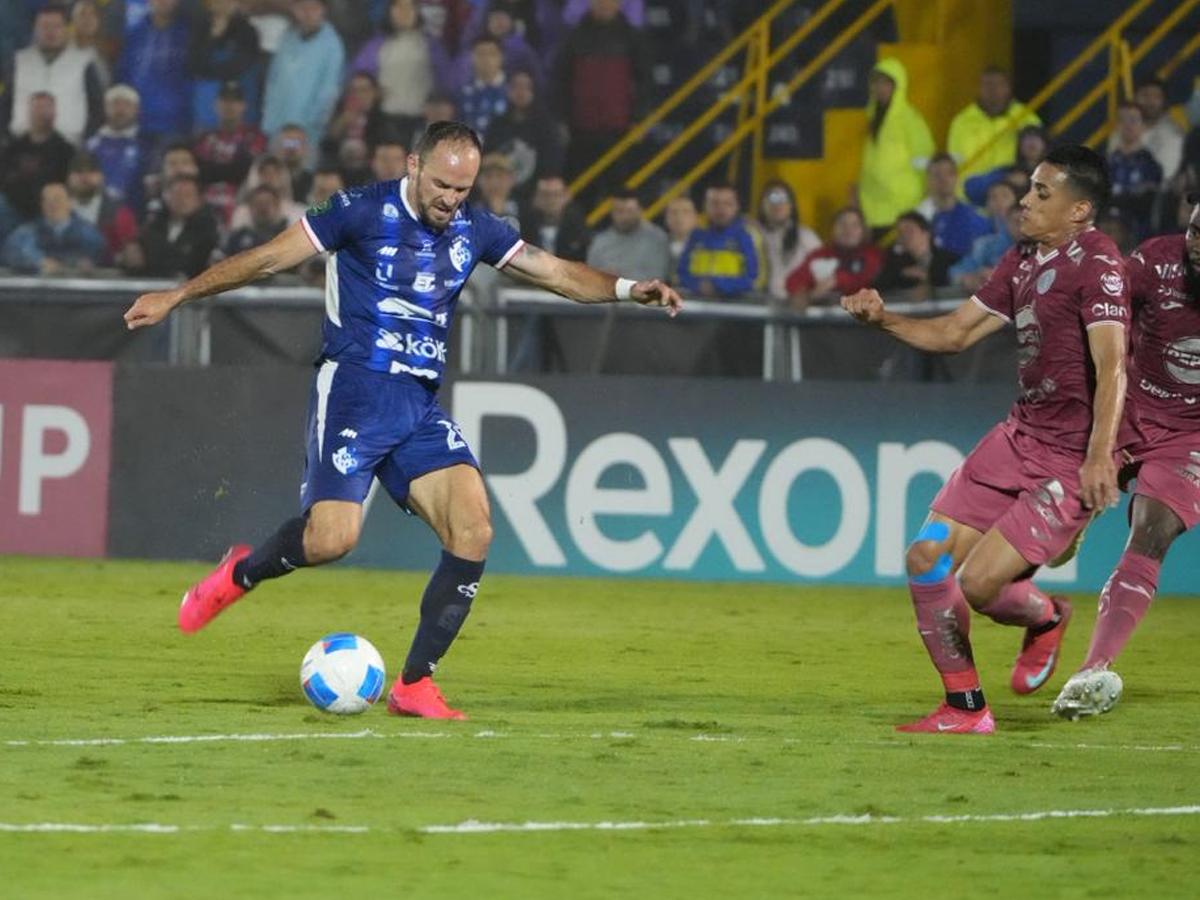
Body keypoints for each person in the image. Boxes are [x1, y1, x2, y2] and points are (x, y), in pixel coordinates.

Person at [121, 121, 682, 719]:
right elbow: (266, 260)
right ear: (414, 165)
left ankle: (414, 684)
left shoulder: (475, 229)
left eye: (463, 190)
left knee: (474, 529)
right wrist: (178, 296)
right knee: (332, 539)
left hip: (417, 404)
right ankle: (242, 573)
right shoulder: (356, 211)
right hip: (355, 390)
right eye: (442, 184)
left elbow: (558, 273)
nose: (451, 199)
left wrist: (628, 289)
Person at [840, 145, 1130, 734]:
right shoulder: (1022, 259)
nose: (1025, 199)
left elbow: (1114, 362)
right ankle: (965, 708)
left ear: (1079, 210)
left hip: (1067, 457)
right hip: (1017, 436)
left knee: (979, 584)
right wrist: (884, 320)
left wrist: (1100, 455)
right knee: (925, 557)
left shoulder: (1097, 262)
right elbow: (953, 334)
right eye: (1030, 188)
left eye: (1042, 193)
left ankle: (1045, 617)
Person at [1051, 194, 1200, 720]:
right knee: (1051, 543)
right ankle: (1078, 518)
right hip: (1127, 413)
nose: (1198, 247)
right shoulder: (1153, 264)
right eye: (1196, 232)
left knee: (1151, 531)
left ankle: (1091, 671)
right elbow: (1098, 309)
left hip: (1190, 435)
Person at [857, 57, 934, 234]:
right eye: (876, 82)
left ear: (898, 86)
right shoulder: (872, 118)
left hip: (903, 208)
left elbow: (926, 162)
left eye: (886, 83)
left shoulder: (910, 120)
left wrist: (924, 204)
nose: (879, 88)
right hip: (873, 210)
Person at [9, 4, 104, 146]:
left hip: (70, 145)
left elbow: (97, 106)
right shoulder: (19, 61)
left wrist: (86, 140)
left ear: (66, 29)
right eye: (45, 26)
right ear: (35, 29)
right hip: (20, 147)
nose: (50, 32)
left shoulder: (84, 62)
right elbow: (5, 104)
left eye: (56, 26)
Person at [261, 0, 345, 154]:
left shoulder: (332, 46)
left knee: (298, 169)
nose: (307, 13)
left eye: (313, 8)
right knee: (277, 169)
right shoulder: (287, 38)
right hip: (277, 125)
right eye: (302, 8)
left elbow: (328, 91)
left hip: (306, 129)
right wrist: (269, 121)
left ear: (323, 10)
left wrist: (310, 125)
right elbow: (273, 81)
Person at [946, 67, 1040, 183]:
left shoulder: (1026, 118)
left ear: (1008, 88)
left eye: (998, 84)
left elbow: (1039, 158)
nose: (992, 89)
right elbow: (953, 161)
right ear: (979, 88)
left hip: (1012, 193)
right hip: (970, 193)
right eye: (987, 84)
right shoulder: (961, 121)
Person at [677, 181, 763, 298]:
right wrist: (697, 285)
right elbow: (682, 272)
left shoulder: (748, 237)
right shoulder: (696, 236)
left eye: (727, 203)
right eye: (714, 203)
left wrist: (719, 285)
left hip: (735, 308)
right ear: (705, 206)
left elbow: (755, 278)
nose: (721, 209)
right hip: (697, 307)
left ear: (737, 206)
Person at [785, 206, 881, 309]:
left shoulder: (873, 255)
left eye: (854, 225)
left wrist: (836, 281)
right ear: (833, 229)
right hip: (824, 319)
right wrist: (804, 294)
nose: (848, 230)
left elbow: (866, 278)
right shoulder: (820, 255)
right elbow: (793, 280)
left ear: (863, 231)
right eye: (842, 224)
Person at [0, 92, 76, 220]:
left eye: (46, 108)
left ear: (54, 113)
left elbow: (67, 188)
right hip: (12, 207)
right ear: (28, 112)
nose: (41, 113)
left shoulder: (66, 150)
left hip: (47, 211)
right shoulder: (13, 148)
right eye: (37, 108)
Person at [2, 181, 106, 274]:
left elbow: (99, 252)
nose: (52, 204)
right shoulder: (30, 230)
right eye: (47, 200)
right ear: (42, 205)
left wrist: (86, 262)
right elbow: (14, 249)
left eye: (57, 199)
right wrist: (40, 261)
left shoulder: (87, 232)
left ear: (70, 202)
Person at [754, 179, 821, 302]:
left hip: (796, 304)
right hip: (758, 302)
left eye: (783, 199)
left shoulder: (806, 236)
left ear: (792, 205)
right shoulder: (751, 233)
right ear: (762, 204)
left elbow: (822, 272)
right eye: (772, 199)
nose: (777, 205)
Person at [916, 153, 993, 259]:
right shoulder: (918, 220)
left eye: (949, 173)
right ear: (928, 180)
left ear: (957, 178)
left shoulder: (975, 217)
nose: (944, 179)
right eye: (937, 174)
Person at [1108, 101, 1164, 242]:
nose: (1128, 125)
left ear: (1143, 126)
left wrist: (1114, 200)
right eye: (1122, 120)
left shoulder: (1151, 166)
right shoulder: (1105, 164)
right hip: (1105, 236)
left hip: (1137, 239)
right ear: (1117, 125)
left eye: (1133, 120)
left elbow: (1144, 204)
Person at [586, 187, 670, 281]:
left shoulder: (657, 238)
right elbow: (590, 275)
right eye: (619, 211)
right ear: (612, 213)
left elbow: (658, 276)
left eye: (630, 211)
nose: (625, 217)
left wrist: (619, 279)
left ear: (640, 211)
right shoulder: (600, 241)